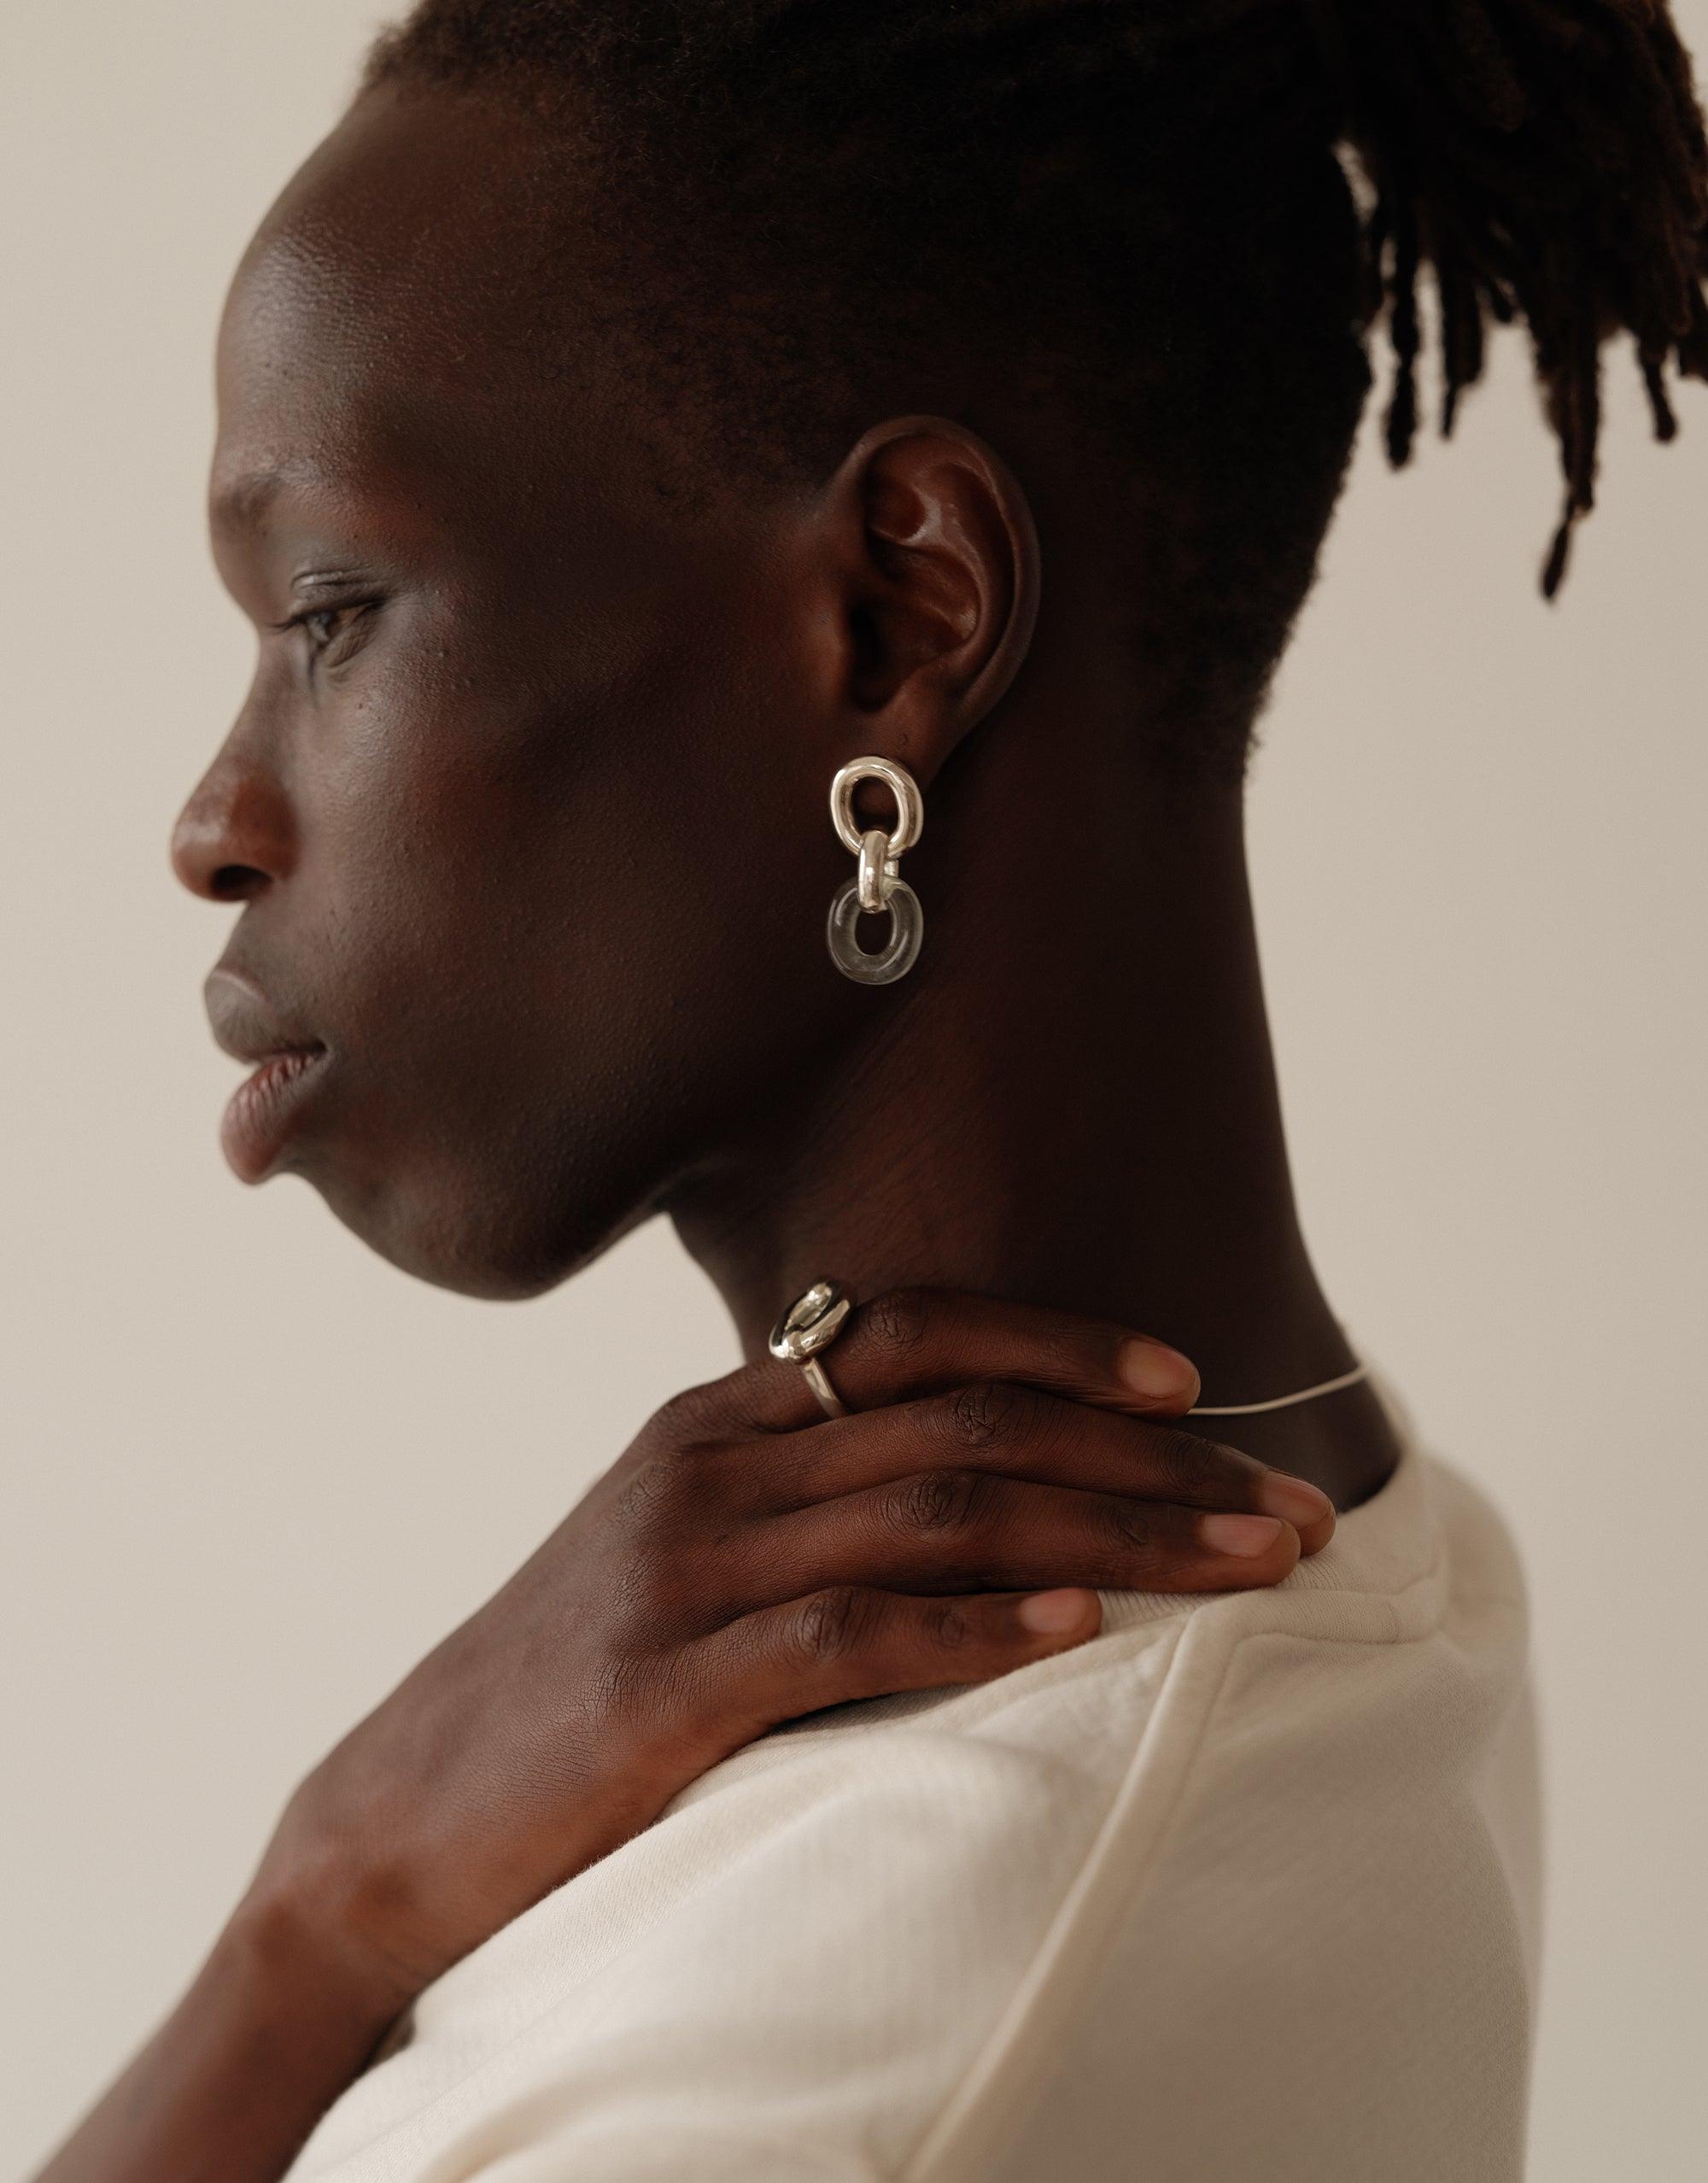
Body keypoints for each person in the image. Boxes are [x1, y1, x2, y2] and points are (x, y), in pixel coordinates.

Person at [36, 3, 1708, 2179]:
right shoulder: (1382, 1550)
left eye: (329, 609)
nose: (213, 822)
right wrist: (331, 1896)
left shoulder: (802, 2083)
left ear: (899, 614)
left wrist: (311, 1930)